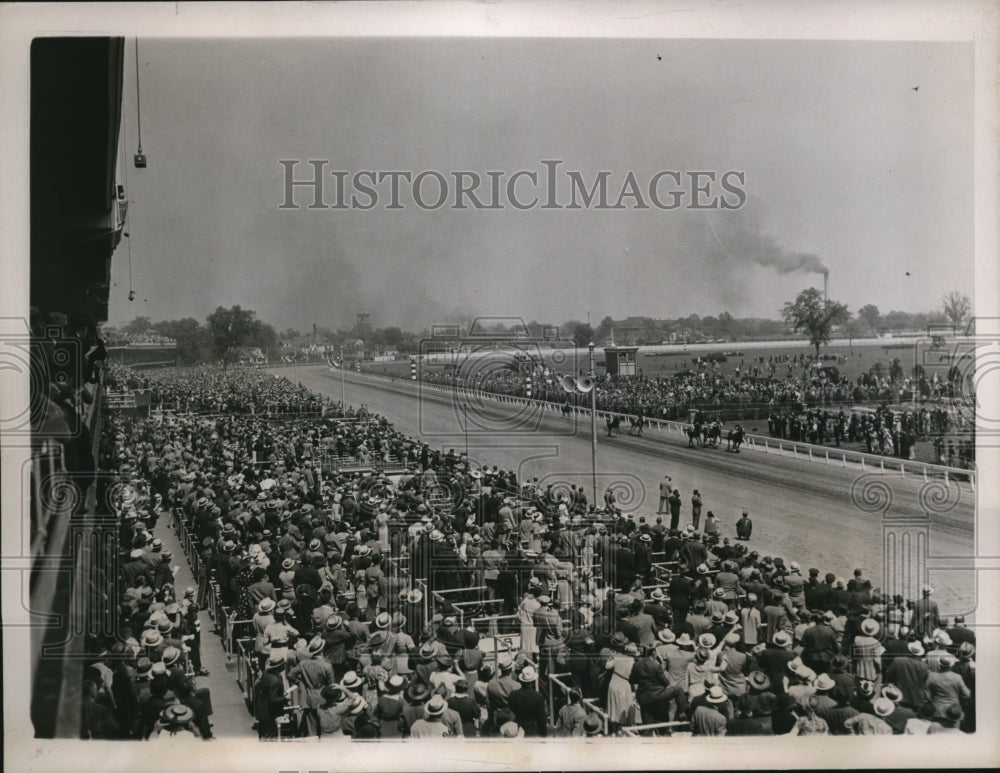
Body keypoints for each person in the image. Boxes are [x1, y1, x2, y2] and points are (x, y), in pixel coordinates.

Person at [506, 666, 548, 737]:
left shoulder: (513, 694)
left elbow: (510, 713)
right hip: (533, 732)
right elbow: (542, 718)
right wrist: (544, 735)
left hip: (517, 730)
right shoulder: (538, 697)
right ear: (532, 681)